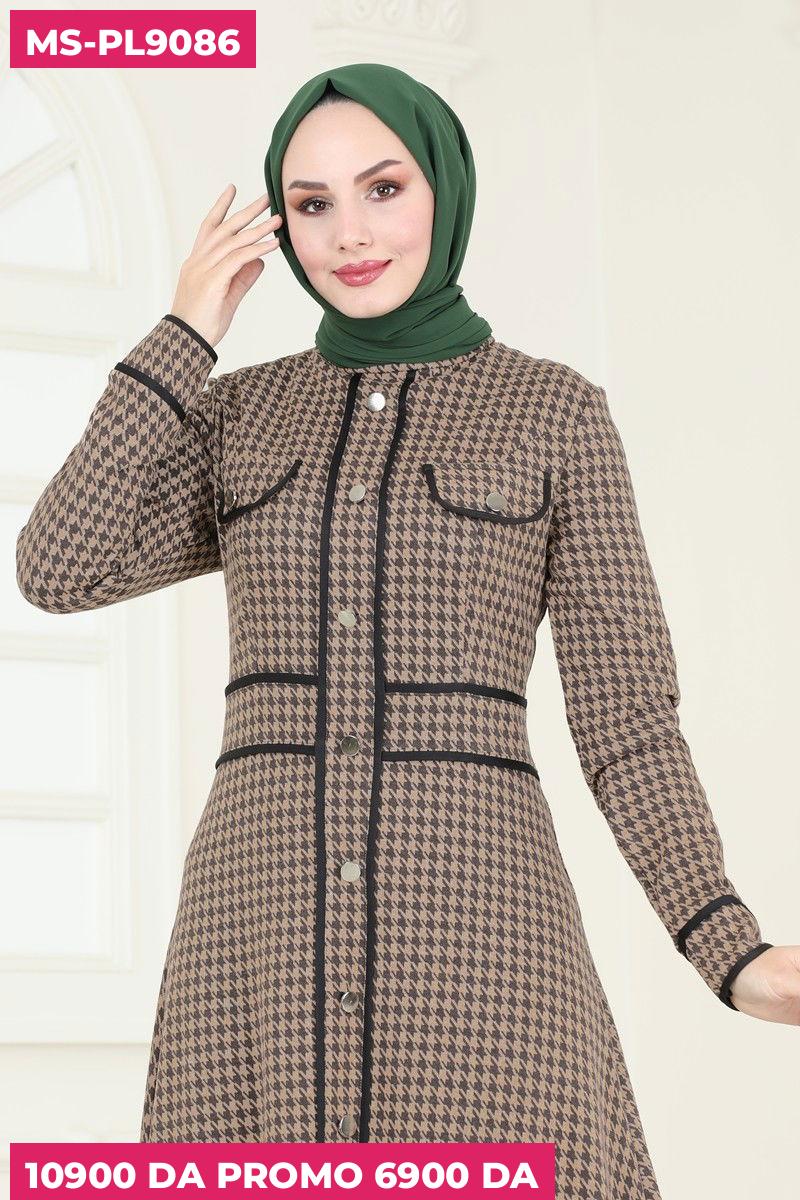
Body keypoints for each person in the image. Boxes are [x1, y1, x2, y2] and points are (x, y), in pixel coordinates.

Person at [16, 61, 798, 1191]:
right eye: (312, 203)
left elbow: (624, 715)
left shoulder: (553, 413)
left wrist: (727, 948)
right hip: (257, 943)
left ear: (442, 186)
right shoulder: (242, 412)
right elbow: (58, 566)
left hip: (480, 943)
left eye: (382, 189)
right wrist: (186, 332)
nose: (349, 234)